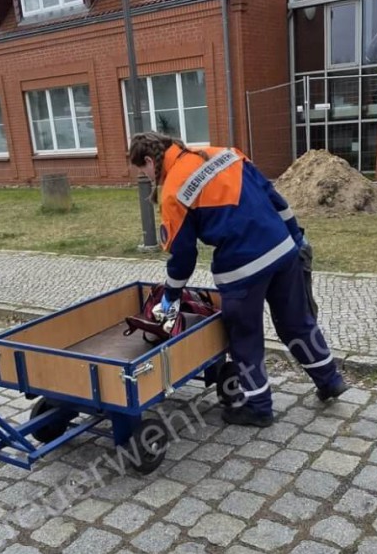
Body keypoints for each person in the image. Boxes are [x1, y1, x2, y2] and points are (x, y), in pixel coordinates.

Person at [128, 131, 348, 427]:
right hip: (283, 251)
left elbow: (183, 257)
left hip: (243, 269)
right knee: (297, 323)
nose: (144, 177)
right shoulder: (225, 154)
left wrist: (171, 296)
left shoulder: (173, 190)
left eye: (141, 171)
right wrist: (296, 238)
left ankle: (258, 408)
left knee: (246, 339)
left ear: (148, 160)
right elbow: (276, 200)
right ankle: (330, 380)